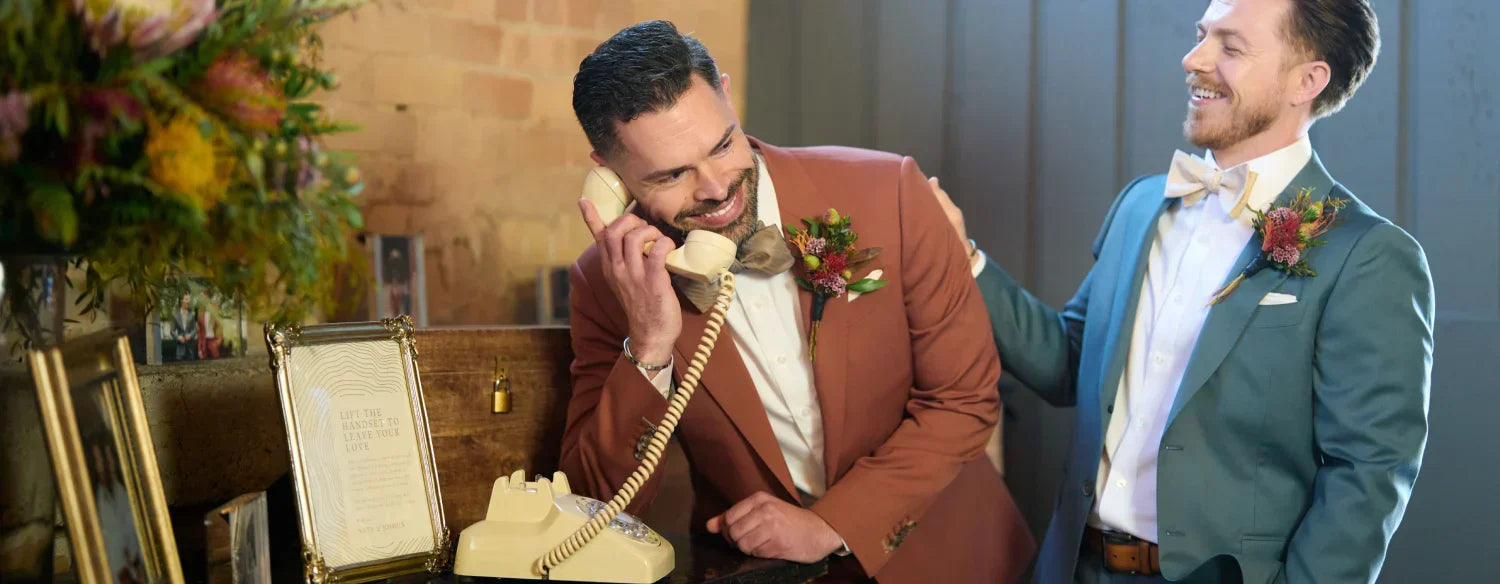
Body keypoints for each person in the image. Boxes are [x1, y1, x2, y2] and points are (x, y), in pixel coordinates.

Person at [930, 1, 1433, 582]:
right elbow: (1068, 362)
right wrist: (961, 259)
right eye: (1201, 36)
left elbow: (1369, 473)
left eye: (1231, 46)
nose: (1193, 59)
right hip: (1073, 566)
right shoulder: (1141, 206)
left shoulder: (1367, 254)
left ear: (1308, 80)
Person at [562, 20, 1034, 583]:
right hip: (762, 571)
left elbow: (964, 399)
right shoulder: (604, 283)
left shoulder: (891, 191)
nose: (714, 186)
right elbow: (598, 506)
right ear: (610, 175)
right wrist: (649, 345)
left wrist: (831, 525)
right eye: (671, 174)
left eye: (721, 144)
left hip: (955, 561)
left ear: (728, 96)